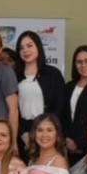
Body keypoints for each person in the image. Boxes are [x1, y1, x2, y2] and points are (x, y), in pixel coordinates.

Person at [16, 31, 68, 160]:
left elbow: (60, 106)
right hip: (23, 132)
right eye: (21, 48)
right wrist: (23, 133)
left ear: (38, 47)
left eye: (29, 46)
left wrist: (48, 131)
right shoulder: (14, 75)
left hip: (47, 131)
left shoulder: (53, 74)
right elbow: (11, 108)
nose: (25, 50)